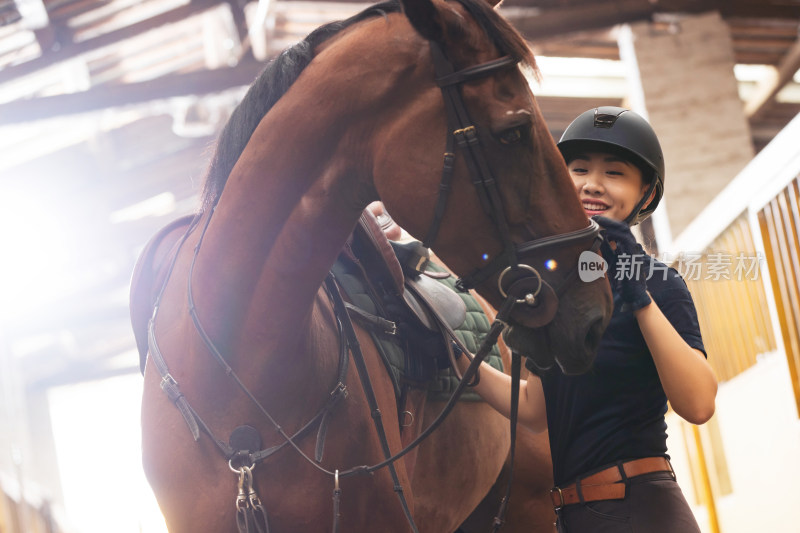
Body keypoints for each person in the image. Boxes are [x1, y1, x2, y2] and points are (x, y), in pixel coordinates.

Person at [455, 106, 718, 533]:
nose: (592, 184)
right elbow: (537, 409)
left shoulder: (660, 282)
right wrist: (460, 364)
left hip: (641, 507)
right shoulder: (552, 291)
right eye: (578, 170)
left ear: (646, 195)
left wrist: (638, 295)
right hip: (571, 516)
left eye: (614, 173)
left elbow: (699, 404)